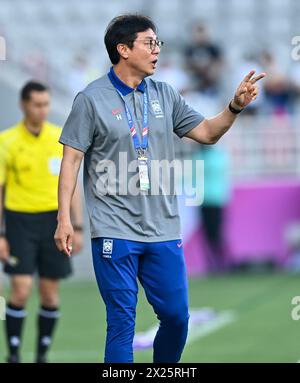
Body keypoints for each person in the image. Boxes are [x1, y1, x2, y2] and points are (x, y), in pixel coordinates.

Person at [54, 14, 265, 363]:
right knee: (121, 321)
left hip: (163, 228)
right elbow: (71, 162)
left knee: (177, 318)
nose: (157, 50)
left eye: (158, 43)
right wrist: (65, 218)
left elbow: (208, 133)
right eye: (149, 43)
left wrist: (234, 107)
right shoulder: (90, 99)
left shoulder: (166, 94)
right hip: (113, 229)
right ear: (123, 49)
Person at [0, 81, 83, 363]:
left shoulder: (60, 138)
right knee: (21, 290)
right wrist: (1, 233)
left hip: (53, 221)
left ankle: (42, 355)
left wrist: (77, 225)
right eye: (37, 104)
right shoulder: (6, 141)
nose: (42, 110)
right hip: (19, 222)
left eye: (46, 104)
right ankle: (13, 353)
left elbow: (71, 186)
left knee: (49, 295)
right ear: (24, 105)